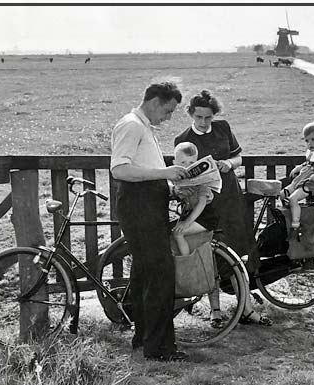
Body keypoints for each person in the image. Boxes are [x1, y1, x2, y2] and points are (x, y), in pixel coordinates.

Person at [174, 89, 272, 326]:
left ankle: (245, 309)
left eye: (208, 117)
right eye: (199, 117)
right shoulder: (183, 139)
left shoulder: (223, 128)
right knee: (209, 254)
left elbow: (238, 157)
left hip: (229, 199)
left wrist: (228, 163)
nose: (204, 122)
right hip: (204, 204)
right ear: (191, 115)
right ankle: (215, 310)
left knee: (238, 252)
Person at [110, 82, 190, 362]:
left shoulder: (143, 127)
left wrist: (168, 186)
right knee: (161, 276)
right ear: (155, 102)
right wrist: (164, 172)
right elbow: (120, 169)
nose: (168, 118)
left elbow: (144, 169)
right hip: (139, 207)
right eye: (167, 111)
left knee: (145, 274)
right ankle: (159, 349)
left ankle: (143, 340)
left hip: (148, 206)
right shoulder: (131, 125)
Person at [171, 142, 223, 328]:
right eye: (183, 162)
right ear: (174, 162)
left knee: (179, 235)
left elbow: (201, 204)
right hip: (193, 216)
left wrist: (186, 223)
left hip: (204, 218)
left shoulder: (202, 180)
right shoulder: (179, 180)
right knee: (173, 235)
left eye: (191, 162)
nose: (187, 166)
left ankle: (187, 267)